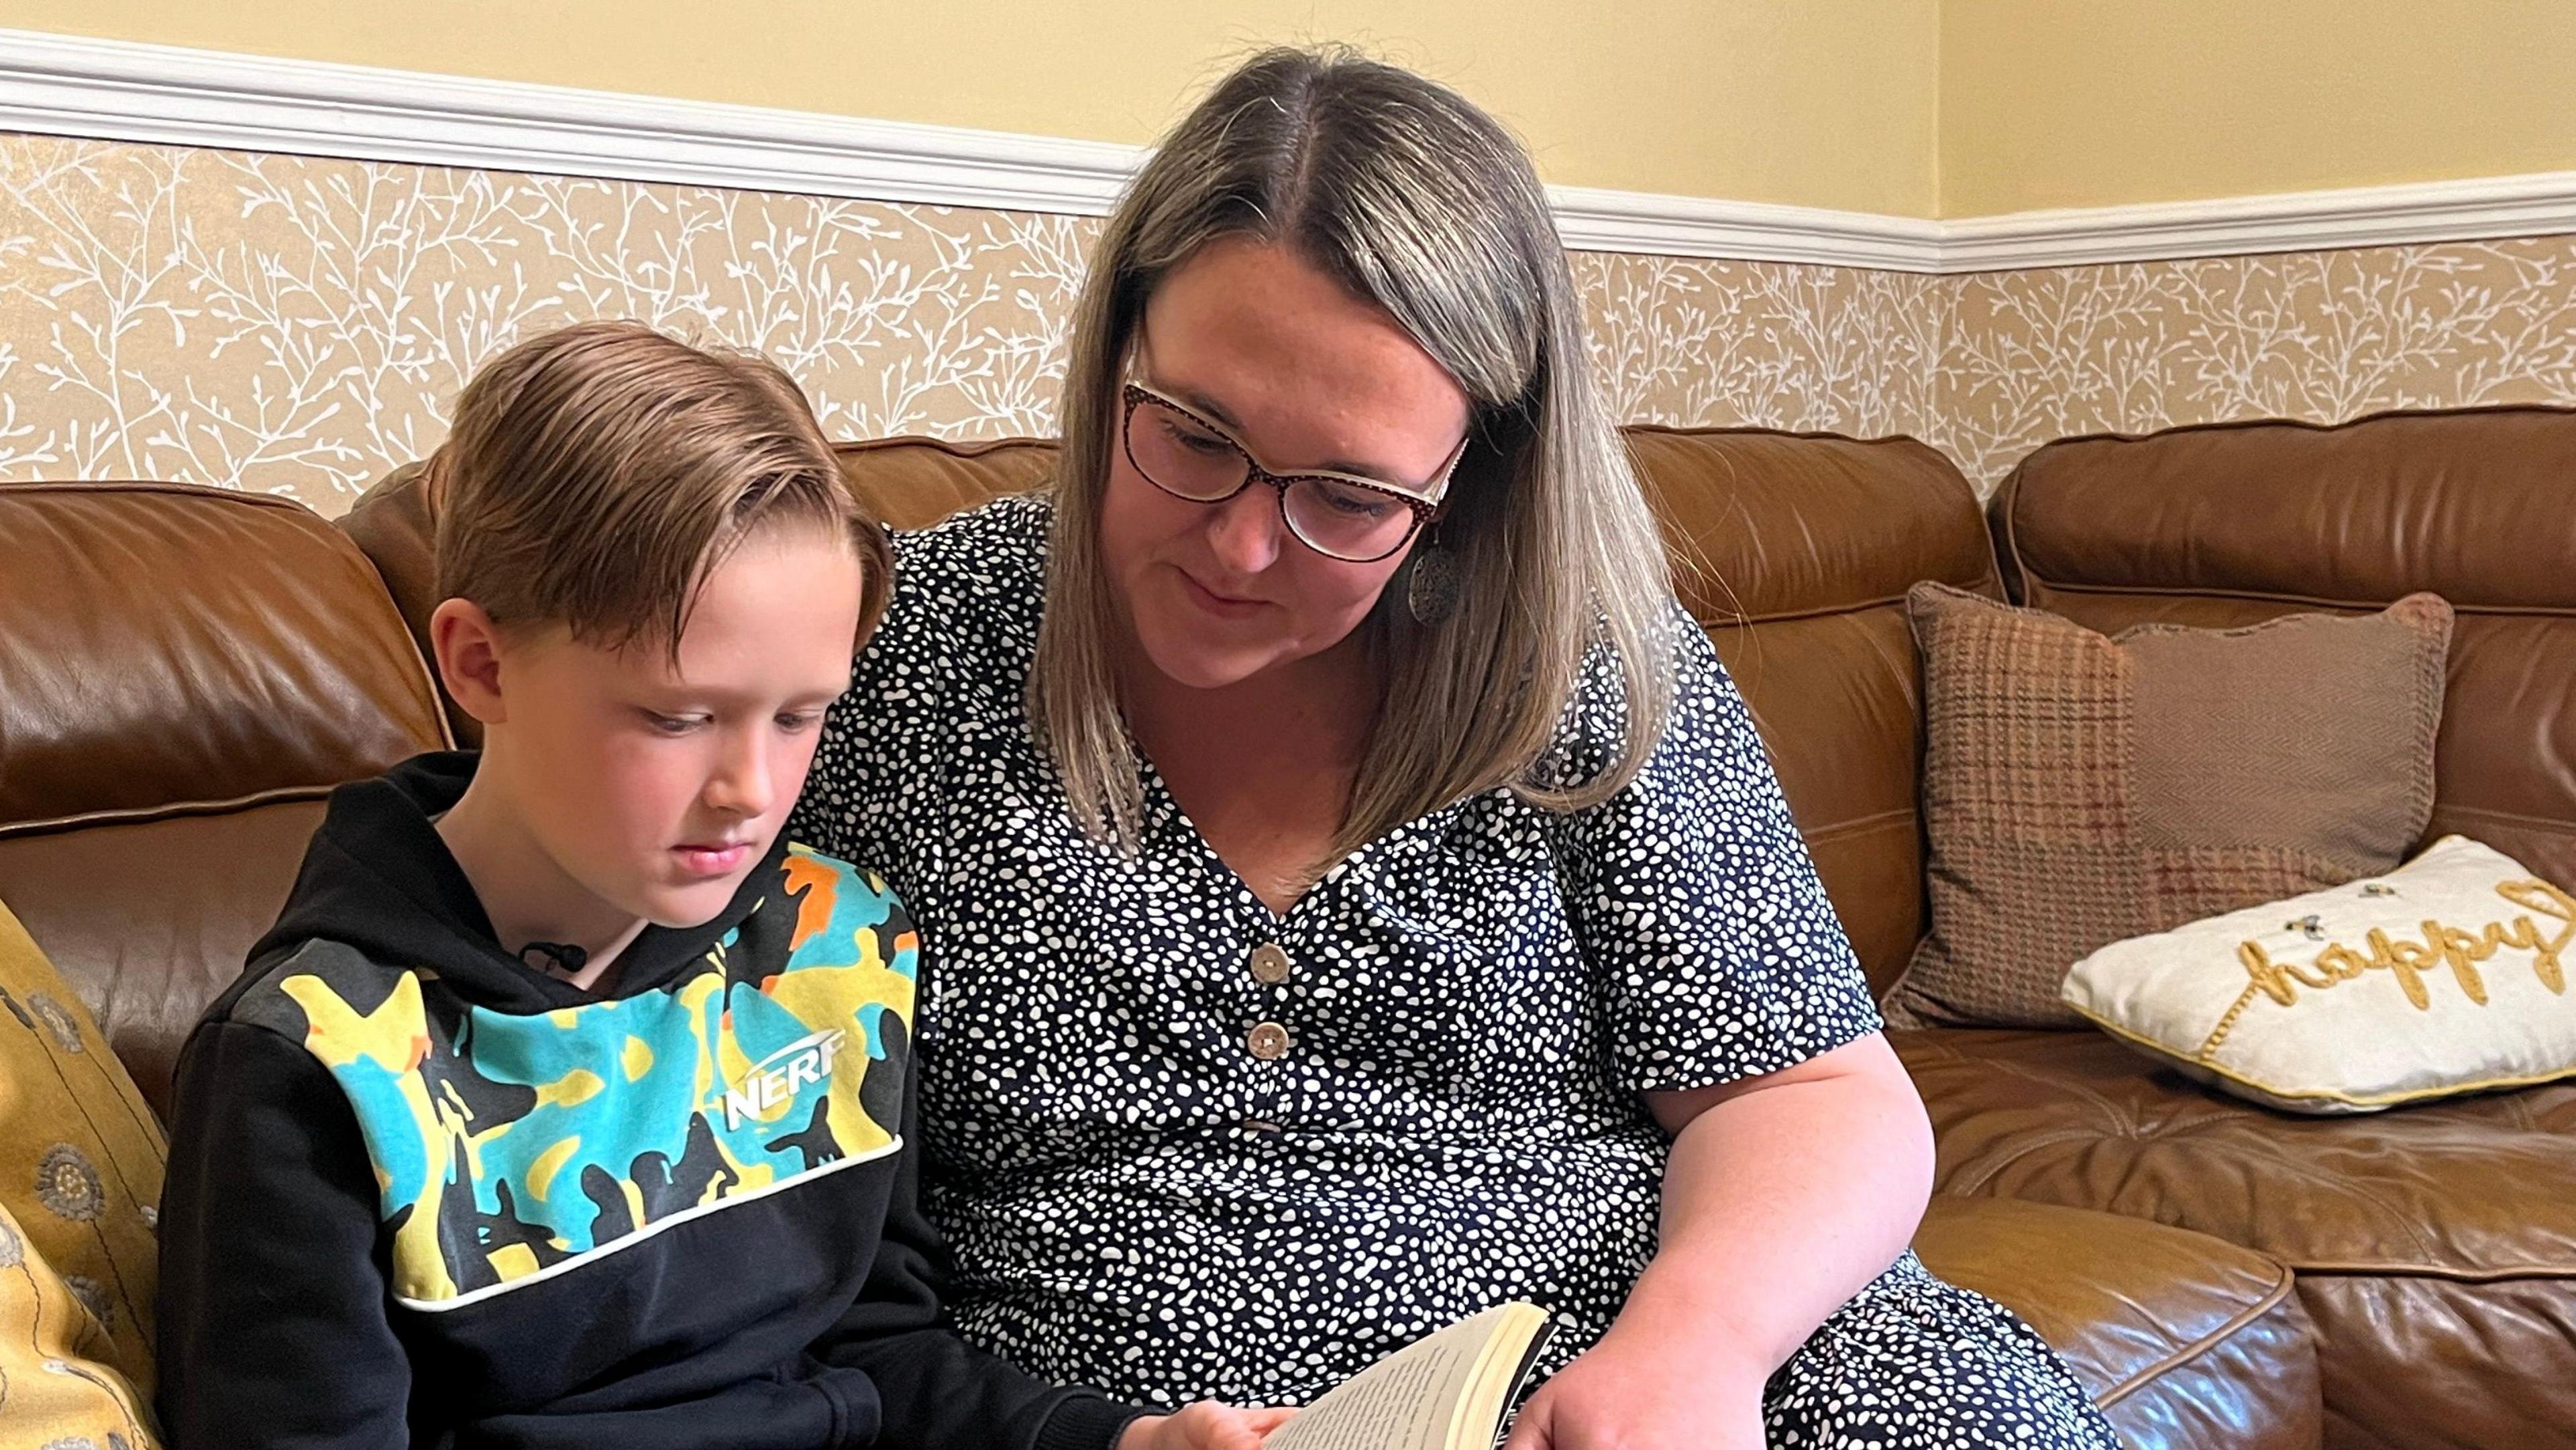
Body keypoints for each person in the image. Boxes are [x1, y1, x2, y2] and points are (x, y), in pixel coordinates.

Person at [789, 50, 2121, 1450]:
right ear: (1116, 351)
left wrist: (1697, 1344)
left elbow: (1818, 1092)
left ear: (1469, 482)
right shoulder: (894, 650)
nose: (1242, 547)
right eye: (1195, 435)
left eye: (1351, 495)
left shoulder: (1571, 656)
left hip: (1635, 1354)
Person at [155, 322, 1287, 1450]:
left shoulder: (840, 945)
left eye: (802, 716)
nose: (751, 789)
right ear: (480, 663)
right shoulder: (315, 1062)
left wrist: (1119, 1441)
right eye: (679, 716)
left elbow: (878, 1353)